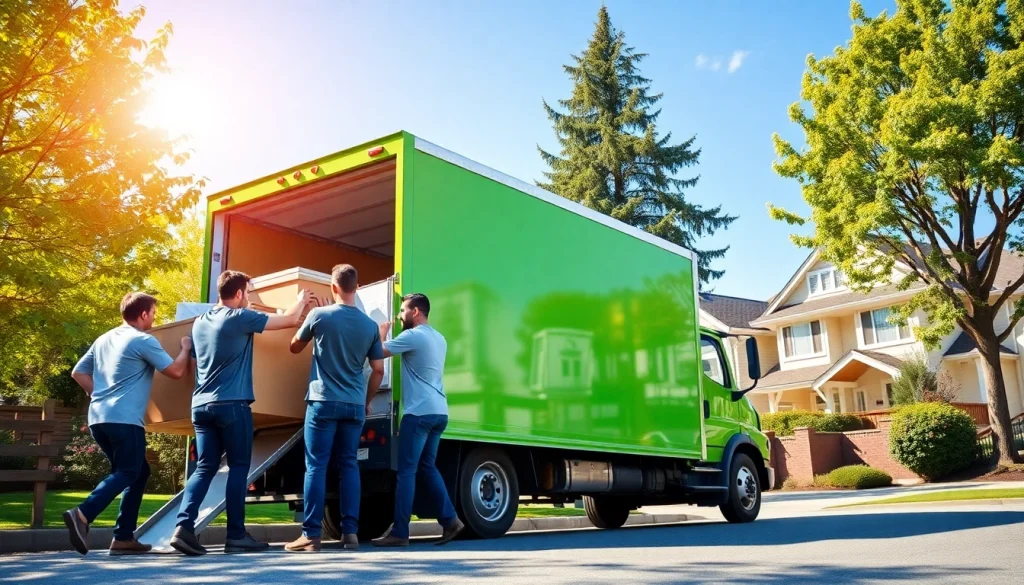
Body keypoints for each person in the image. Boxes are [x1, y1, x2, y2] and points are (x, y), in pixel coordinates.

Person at [170, 270, 311, 556]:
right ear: (237, 294)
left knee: (205, 467)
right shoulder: (239, 317)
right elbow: (289, 320)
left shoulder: (200, 322)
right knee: (238, 468)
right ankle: (236, 535)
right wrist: (301, 299)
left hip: (201, 405)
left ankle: (183, 527)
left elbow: (196, 363)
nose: (248, 297)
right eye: (247, 293)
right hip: (232, 404)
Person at [64, 293, 192, 556]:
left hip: (98, 418)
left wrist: (99, 395)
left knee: (138, 472)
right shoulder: (142, 340)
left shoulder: (103, 339)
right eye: (153, 313)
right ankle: (83, 514)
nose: (154, 318)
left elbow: (78, 372)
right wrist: (185, 349)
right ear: (143, 314)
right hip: (124, 420)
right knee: (128, 471)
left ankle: (123, 538)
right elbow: (176, 372)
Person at [285, 264, 385, 553]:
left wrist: (313, 323)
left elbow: (294, 346)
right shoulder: (370, 326)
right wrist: (366, 401)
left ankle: (311, 535)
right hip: (354, 405)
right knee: (349, 465)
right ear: (357, 287)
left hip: (323, 401)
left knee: (316, 466)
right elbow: (378, 370)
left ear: (333, 287)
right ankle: (350, 533)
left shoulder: (320, 315)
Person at [372, 293, 464, 547]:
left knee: (406, 472)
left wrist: (381, 333)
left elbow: (379, 352)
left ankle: (400, 532)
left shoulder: (413, 336)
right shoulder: (439, 338)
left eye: (403, 311)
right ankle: (451, 521)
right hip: (439, 412)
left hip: (419, 413)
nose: (399, 315)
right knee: (427, 467)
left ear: (416, 312)